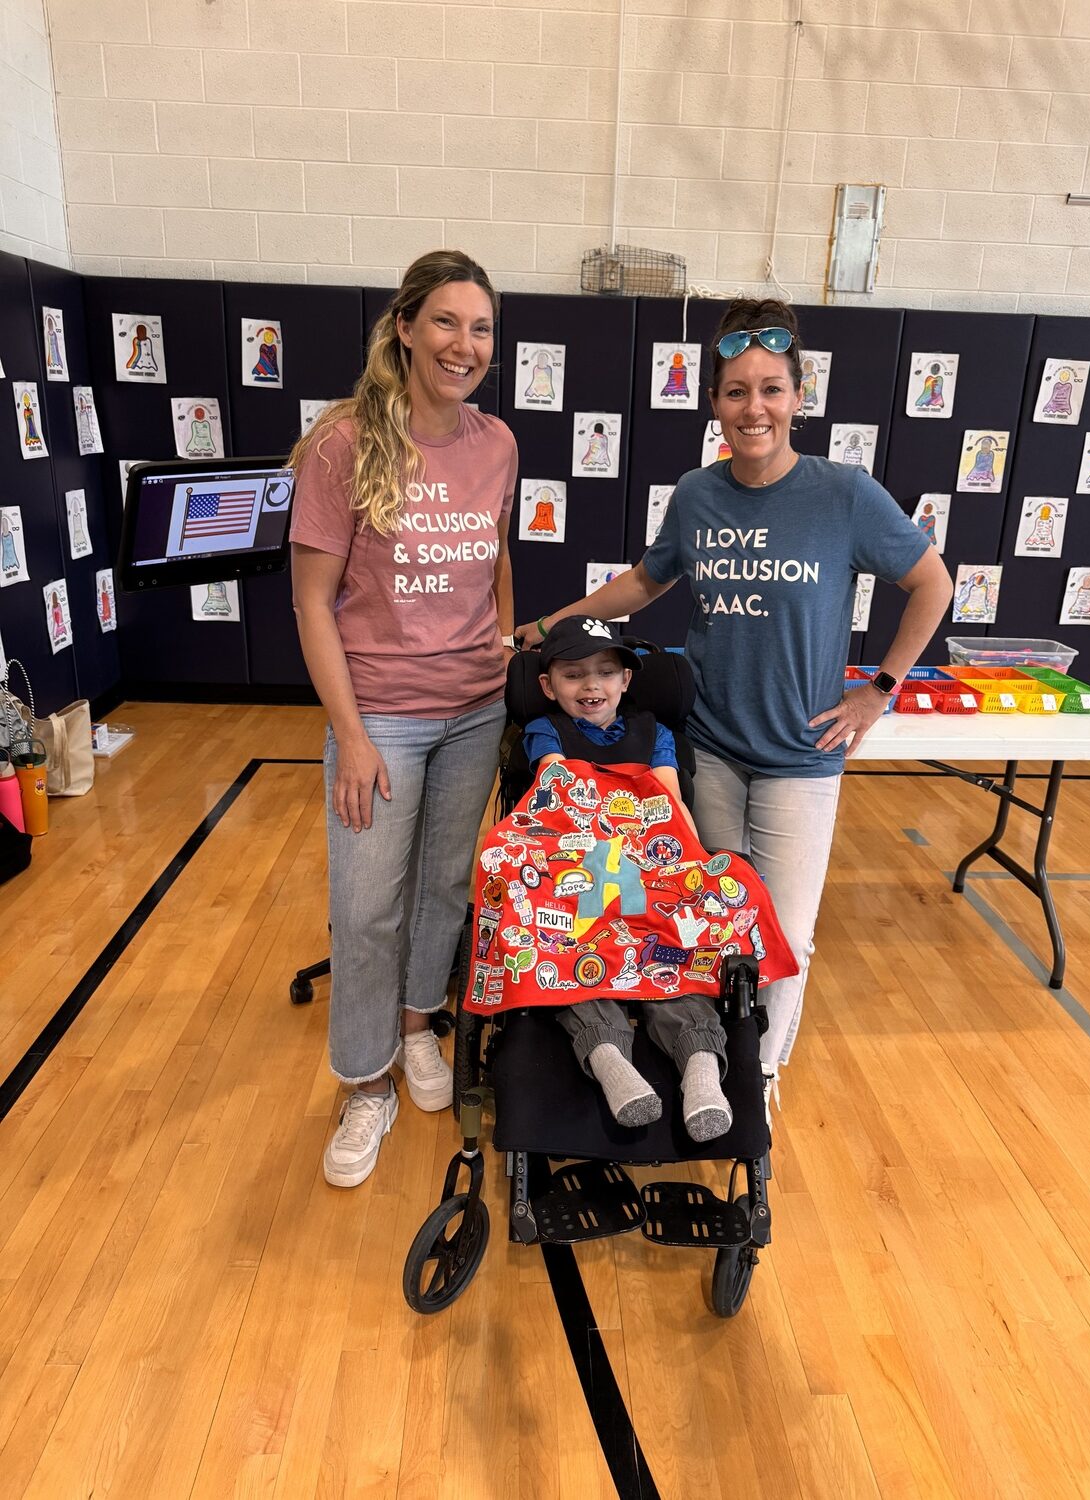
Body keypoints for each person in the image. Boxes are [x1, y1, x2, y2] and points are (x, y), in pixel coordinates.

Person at [518, 298, 952, 1120]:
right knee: (709, 918)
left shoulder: (844, 495)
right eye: (734, 391)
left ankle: (759, 1085)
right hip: (710, 747)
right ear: (712, 402)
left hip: (801, 754)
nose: (753, 408)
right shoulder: (696, 494)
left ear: (797, 395)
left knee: (782, 935)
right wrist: (550, 625)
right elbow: (646, 582)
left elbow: (930, 582)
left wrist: (880, 688)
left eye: (770, 389)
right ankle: (705, 1063)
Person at [290, 250, 518, 1188]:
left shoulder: (495, 443)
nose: (463, 345)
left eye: (480, 329)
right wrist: (349, 735)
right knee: (366, 908)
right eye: (446, 323)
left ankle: (419, 1031)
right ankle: (363, 1083)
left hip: (473, 708)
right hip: (380, 714)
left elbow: (495, 554)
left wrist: (505, 640)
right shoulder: (345, 443)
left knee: (443, 890)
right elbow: (311, 603)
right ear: (404, 328)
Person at [524, 616, 733, 1142]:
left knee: (672, 945)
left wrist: (696, 863)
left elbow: (670, 798)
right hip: (576, 859)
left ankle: (701, 1068)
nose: (591, 685)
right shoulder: (546, 730)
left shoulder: (654, 733)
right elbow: (561, 788)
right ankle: (609, 1057)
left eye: (605, 672)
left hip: (649, 860)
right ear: (548, 686)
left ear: (625, 681)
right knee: (566, 944)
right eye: (574, 675)